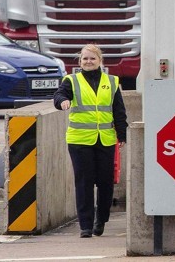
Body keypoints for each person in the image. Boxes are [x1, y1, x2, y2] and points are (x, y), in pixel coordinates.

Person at [53, 44, 127, 238]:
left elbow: (118, 110)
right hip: (79, 140)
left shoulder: (111, 82)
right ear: (79, 62)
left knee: (105, 182)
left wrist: (122, 134)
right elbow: (59, 95)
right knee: (84, 182)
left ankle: (101, 220)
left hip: (105, 139)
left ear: (100, 61)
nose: (88, 62)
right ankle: (85, 225)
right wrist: (62, 102)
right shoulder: (71, 80)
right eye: (85, 58)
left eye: (92, 58)